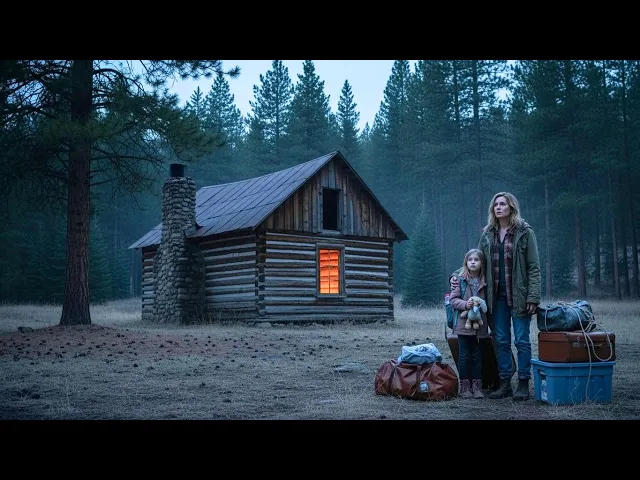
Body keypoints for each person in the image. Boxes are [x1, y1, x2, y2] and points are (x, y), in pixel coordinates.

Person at [478, 192, 541, 401]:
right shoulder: (487, 234)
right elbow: (477, 262)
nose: (498, 207)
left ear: (511, 208)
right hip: (496, 298)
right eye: (495, 204)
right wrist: (458, 276)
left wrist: (533, 297)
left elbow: (534, 267)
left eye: (502, 204)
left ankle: (523, 383)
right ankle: (505, 383)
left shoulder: (525, 232)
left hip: (519, 296)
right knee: (502, 341)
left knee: (522, 341)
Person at [448, 248, 490, 399]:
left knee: (478, 356)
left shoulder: (486, 281)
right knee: (464, 356)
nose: (473, 262)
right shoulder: (460, 280)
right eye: (470, 260)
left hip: (480, 325)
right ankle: (464, 387)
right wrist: (465, 305)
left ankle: (477, 387)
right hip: (463, 325)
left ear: (482, 263)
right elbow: (453, 300)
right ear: (466, 262)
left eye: (476, 260)